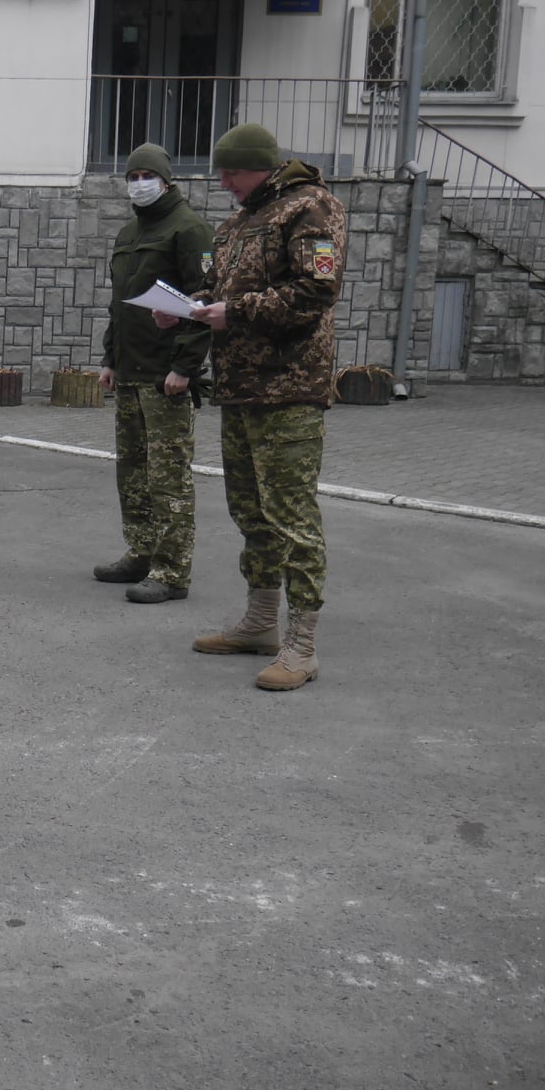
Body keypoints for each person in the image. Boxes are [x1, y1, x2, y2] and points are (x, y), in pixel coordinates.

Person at [160, 123, 347, 691]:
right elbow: (220, 291)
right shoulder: (238, 222)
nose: (224, 183)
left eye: (232, 172)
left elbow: (317, 290)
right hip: (240, 389)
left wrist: (234, 313)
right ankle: (261, 623)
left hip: (289, 389)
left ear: (262, 167)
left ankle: (302, 645)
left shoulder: (312, 209)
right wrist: (185, 307)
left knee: (292, 516)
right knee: (252, 513)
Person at [95, 143, 213, 604]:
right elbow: (119, 304)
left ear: (166, 181)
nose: (139, 183)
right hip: (131, 371)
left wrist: (185, 367)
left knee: (168, 478)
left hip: (166, 376)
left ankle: (172, 570)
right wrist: (110, 359)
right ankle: (141, 553)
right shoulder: (129, 232)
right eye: (133, 176)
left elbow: (204, 302)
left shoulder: (189, 229)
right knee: (133, 473)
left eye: (148, 176)